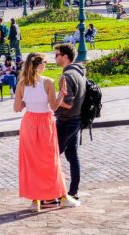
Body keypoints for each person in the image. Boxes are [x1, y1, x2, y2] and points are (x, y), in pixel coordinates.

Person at [14, 52, 78, 211]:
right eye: (44, 62)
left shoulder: (21, 84)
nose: (46, 64)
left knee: (32, 162)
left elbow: (16, 108)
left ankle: (35, 201)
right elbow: (54, 106)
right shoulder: (48, 82)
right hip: (44, 123)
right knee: (51, 161)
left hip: (28, 123)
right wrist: (62, 94)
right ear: (38, 65)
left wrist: (26, 102)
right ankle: (63, 197)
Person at [54, 44, 86, 205]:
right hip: (77, 119)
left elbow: (68, 103)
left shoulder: (66, 76)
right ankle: (74, 192)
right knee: (73, 156)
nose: (55, 58)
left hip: (66, 120)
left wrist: (53, 102)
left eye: (57, 55)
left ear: (65, 56)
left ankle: (51, 194)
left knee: (52, 155)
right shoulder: (79, 72)